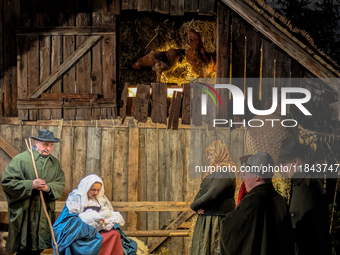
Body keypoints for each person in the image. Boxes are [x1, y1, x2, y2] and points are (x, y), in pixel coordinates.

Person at [1, 129, 65, 255]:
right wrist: (31, 184)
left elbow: (60, 182)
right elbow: (7, 182)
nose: (48, 149)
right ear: (36, 142)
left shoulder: (54, 163)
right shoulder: (21, 160)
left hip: (43, 213)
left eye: (51, 145)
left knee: (39, 246)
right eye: (45, 144)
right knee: (24, 246)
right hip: (25, 213)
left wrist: (48, 188)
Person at [220, 152, 295, 255]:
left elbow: (229, 232)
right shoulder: (279, 199)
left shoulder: (252, 202)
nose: (243, 179)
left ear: (256, 175)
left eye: (245, 174)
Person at [53, 174, 137, 255]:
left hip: (99, 228)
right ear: (86, 187)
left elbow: (107, 213)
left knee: (114, 234)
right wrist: (89, 227)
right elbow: (69, 220)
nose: (96, 193)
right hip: (80, 232)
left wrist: (106, 221)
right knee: (95, 240)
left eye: (98, 190)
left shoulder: (100, 199)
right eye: (93, 189)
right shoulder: (76, 198)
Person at [278, 137, 332, 255]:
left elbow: (311, 234)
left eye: (284, 164)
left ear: (296, 161)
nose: (282, 169)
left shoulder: (308, 186)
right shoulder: (298, 182)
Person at [190, 140, 237, 255]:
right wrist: (197, 206)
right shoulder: (213, 172)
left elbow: (212, 195)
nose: (209, 157)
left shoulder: (226, 172)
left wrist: (193, 206)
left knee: (215, 250)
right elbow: (201, 193)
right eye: (208, 154)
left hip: (216, 222)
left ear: (220, 153)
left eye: (212, 154)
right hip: (207, 221)